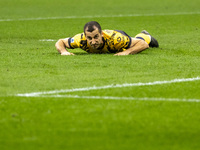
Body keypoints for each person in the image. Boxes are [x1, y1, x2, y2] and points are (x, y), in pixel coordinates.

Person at [55, 21, 159, 56]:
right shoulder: (80, 39)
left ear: (101, 34)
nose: (93, 41)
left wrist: (127, 52)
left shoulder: (116, 39)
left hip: (119, 35)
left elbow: (143, 44)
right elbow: (60, 42)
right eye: (89, 38)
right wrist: (64, 51)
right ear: (85, 37)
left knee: (136, 41)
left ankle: (144, 34)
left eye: (96, 37)